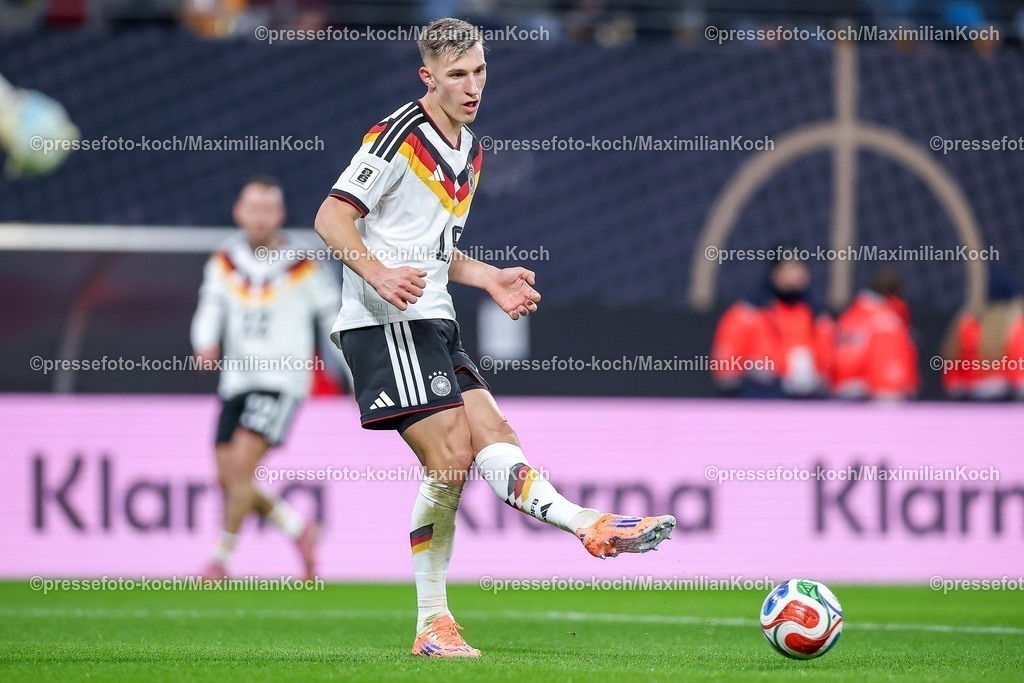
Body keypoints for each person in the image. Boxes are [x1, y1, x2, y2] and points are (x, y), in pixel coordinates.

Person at [314, 17, 676, 658]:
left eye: (479, 70)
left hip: (434, 316)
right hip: (384, 320)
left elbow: (434, 248)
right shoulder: (398, 135)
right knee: (450, 457)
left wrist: (488, 278)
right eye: (457, 74)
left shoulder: (470, 150)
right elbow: (331, 216)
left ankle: (587, 524)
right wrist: (376, 272)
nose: (472, 85)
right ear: (428, 77)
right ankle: (432, 624)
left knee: (496, 439)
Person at [191, 176, 346, 580]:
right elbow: (210, 307)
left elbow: (332, 316)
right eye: (252, 209)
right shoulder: (224, 260)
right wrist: (204, 341)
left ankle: (220, 560)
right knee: (227, 477)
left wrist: (352, 368)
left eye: (267, 209)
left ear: (279, 214)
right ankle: (299, 529)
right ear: (238, 212)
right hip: (236, 381)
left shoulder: (303, 263)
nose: (259, 217)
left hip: (282, 381)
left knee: (242, 467)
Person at [711, 250, 833, 398]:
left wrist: (817, 378)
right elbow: (726, 368)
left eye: (798, 268)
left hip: (808, 396)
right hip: (761, 397)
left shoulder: (817, 314)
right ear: (774, 273)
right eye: (788, 269)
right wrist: (756, 375)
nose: (794, 275)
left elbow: (830, 361)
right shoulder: (749, 312)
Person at [831, 267, 919, 401]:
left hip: (846, 389)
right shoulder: (886, 320)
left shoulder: (852, 315)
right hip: (877, 393)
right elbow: (890, 361)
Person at [941, 268, 1024, 400]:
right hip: (1005, 399)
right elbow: (1020, 379)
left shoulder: (966, 325)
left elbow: (953, 377)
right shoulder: (1014, 328)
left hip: (970, 399)